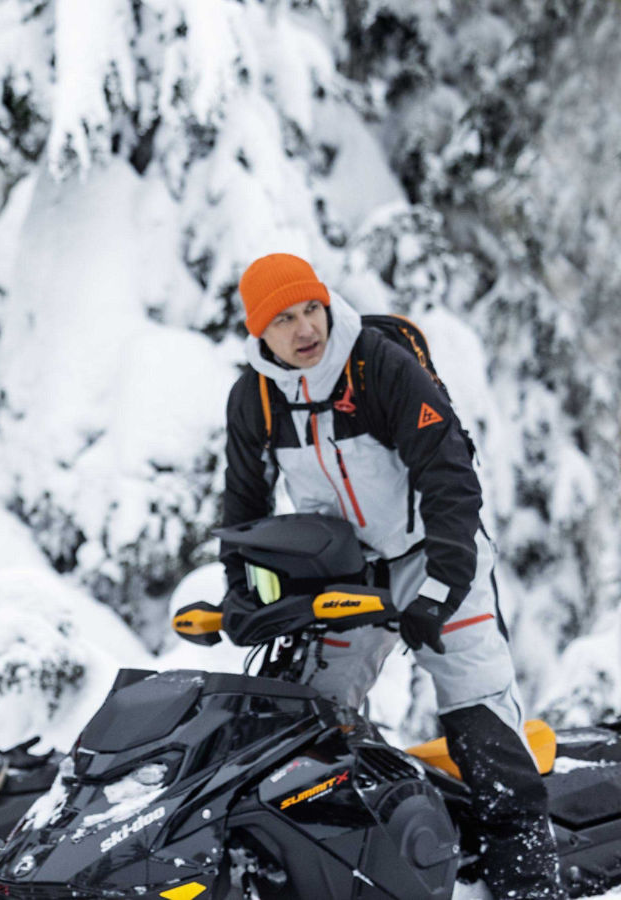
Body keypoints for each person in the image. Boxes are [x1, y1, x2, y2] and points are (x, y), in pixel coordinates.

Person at [220, 253, 565, 899]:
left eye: (311, 309)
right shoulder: (257, 398)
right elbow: (243, 504)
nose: (304, 330)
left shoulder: (377, 366)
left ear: (326, 305)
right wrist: (240, 588)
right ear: (258, 332)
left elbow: (448, 474)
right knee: (309, 722)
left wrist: (441, 585)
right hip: (342, 574)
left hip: (431, 553)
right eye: (283, 319)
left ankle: (527, 883)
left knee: (479, 714)